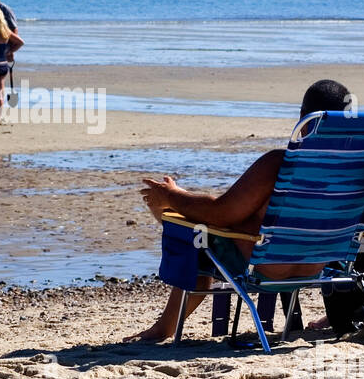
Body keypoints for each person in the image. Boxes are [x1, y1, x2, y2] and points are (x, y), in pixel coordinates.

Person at [127, 79, 351, 342]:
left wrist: (171, 196)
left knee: (195, 231)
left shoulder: (280, 165)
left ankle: (163, 327)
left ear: (303, 118)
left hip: (266, 266)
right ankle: (171, 208)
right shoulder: (354, 171)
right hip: (316, 266)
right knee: (223, 216)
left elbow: (221, 212)